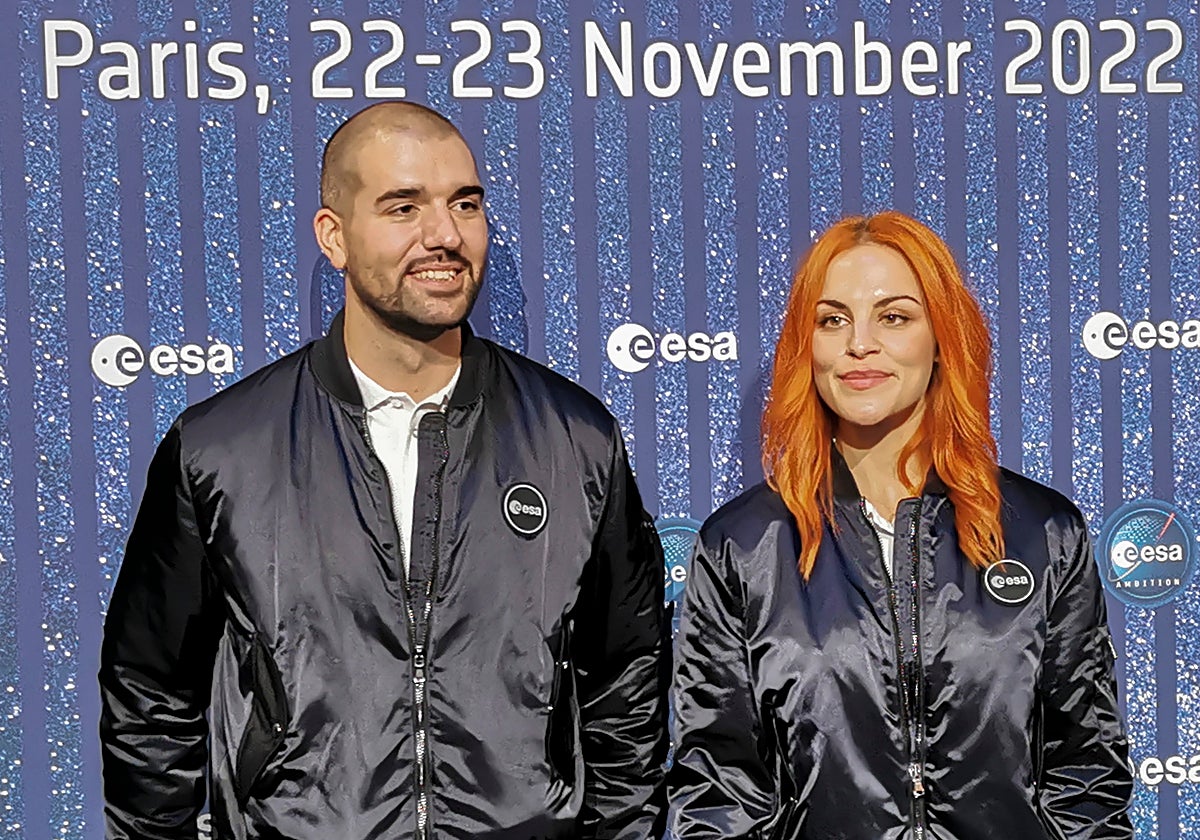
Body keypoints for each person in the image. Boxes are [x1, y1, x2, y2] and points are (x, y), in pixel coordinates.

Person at [99, 101, 669, 840]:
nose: (445, 235)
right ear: (334, 237)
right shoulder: (219, 450)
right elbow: (151, 697)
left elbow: (626, 686)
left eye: (465, 203)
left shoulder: (576, 439)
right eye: (404, 207)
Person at [668, 211, 1132, 839]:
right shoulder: (744, 545)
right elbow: (719, 793)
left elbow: (1086, 776)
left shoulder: (1042, 533)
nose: (861, 343)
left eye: (894, 316)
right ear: (808, 347)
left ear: (942, 335)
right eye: (833, 320)